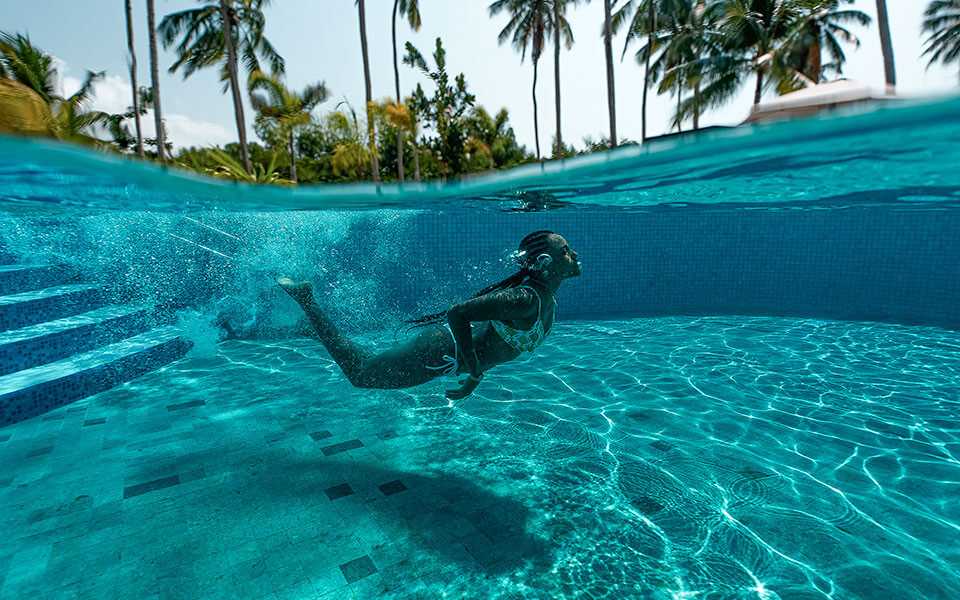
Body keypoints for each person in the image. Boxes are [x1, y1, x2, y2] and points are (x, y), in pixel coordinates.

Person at [278, 230, 581, 399]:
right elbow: (458, 313)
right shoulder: (525, 299)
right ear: (544, 262)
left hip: (446, 355)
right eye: (566, 250)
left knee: (368, 364)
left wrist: (475, 370)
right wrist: (475, 371)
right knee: (361, 375)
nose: (574, 254)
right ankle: (306, 300)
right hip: (439, 352)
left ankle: (315, 329)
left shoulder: (544, 298)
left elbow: (493, 343)